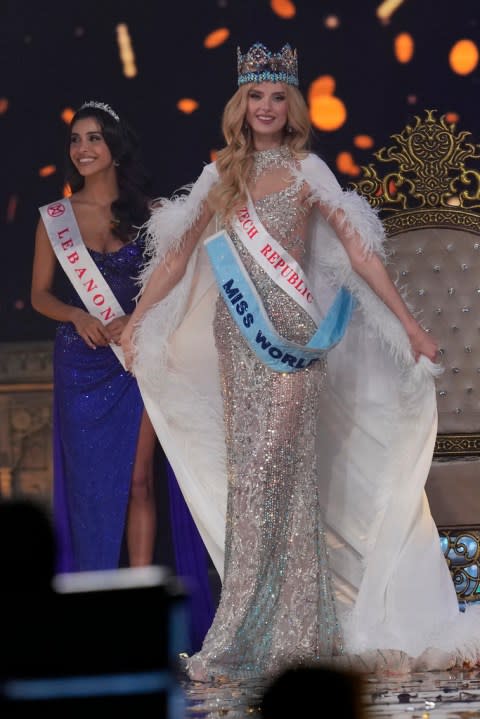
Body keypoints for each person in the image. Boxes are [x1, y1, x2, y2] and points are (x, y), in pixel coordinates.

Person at [120, 43, 480, 681]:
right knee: (249, 483)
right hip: (239, 341)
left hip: (292, 345)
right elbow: (175, 258)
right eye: (255, 96)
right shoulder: (219, 175)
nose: (265, 107)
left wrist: (410, 324)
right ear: (241, 105)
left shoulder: (309, 171)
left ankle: (298, 631)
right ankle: (246, 631)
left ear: (292, 106)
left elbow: (362, 255)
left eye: (276, 96)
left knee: (279, 476)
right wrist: (138, 318)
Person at [30, 101, 214, 651]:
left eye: (93, 138)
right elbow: (39, 295)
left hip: (136, 355)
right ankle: (94, 614)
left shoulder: (153, 212)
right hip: (82, 361)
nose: (82, 149)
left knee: (138, 481)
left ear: (115, 146)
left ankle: (144, 612)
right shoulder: (53, 219)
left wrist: (136, 323)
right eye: (75, 140)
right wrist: (78, 314)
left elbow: (178, 282)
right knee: (90, 492)